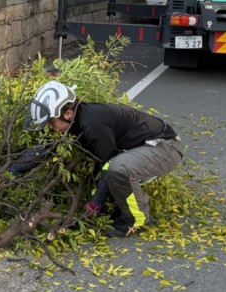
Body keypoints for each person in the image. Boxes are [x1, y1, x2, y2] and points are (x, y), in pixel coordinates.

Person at [25, 80, 183, 238]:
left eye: (51, 122)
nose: (50, 128)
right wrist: (11, 170)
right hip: (145, 149)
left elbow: (108, 166)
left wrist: (96, 203)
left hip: (165, 148)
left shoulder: (92, 124)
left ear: (67, 113)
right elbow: (46, 148)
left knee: (117, 168)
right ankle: (124, 206)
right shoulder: (75, 121)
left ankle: (136, 219)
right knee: (115, 167)